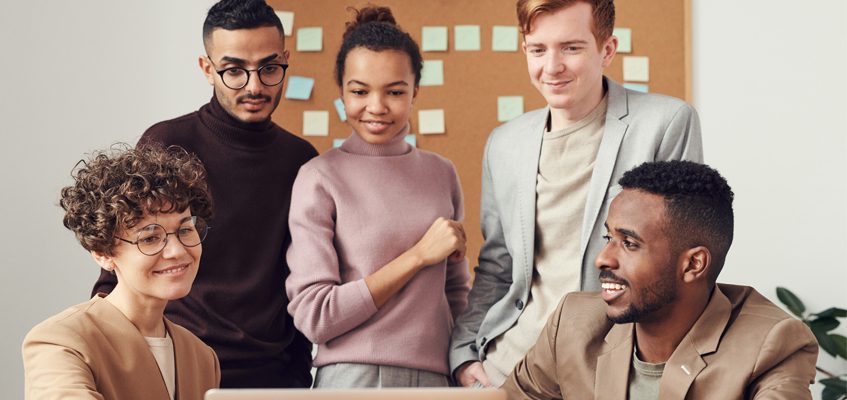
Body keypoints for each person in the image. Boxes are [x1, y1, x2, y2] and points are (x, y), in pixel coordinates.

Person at [450, 0, 704, 387]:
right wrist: (465, 354)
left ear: (607, 50)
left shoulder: (665, 123)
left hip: (614, 370)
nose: (551, 67)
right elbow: (497, 267)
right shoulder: (504, 144)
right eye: (538, 50)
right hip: (508, 369)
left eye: (571, 48)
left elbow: (679, 263)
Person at [91, 0, 317, 388]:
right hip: (176, 370)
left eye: (269, 68)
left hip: (272, 379)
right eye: (234, 71)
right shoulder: (168, 143)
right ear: (207, 68)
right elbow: (120, 265)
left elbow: (301, 281)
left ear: (285, 60)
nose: (255, 85)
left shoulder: (302, 160)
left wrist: (296, 377)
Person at [501, 160, 818, 399]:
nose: (603, 258)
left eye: (629, 243)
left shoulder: (773, 344)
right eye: (607, 238)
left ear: (693, 264)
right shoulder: (574, 322)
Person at [285, 6, 470, 388]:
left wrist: (467, 366)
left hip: (439, 380)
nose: (376, 107)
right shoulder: (320, 177)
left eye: (395, 91)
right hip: (352, 379)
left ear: (416, 91)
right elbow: (315, 316)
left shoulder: (441, 173)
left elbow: (456, 294)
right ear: (341, 90)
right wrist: (418, 256)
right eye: (359, 91)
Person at [23, 145, 219, 400]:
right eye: (149, 238)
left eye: (184, 231)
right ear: (102, 253)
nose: (177, 251)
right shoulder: (60, 341)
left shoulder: (202, 356)